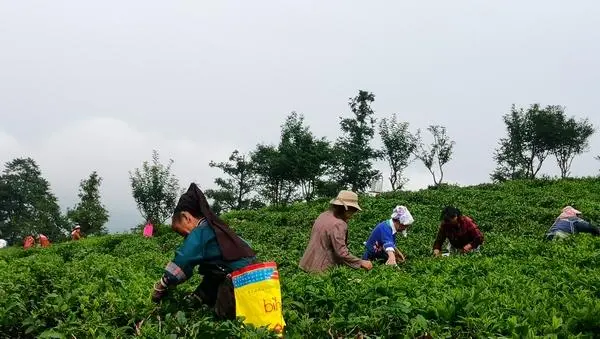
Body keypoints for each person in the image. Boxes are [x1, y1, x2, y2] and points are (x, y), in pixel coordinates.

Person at [151, 183, 256, 320]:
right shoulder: (219, 229)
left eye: (180, 232)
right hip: (256, 276)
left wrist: (162, 284)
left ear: (187, 217)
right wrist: (196, 298)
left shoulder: (200, 232)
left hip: (239, 279)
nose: (184, 237)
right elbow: (215, 274)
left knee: (222, 319)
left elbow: (183, 260)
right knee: (214, 276)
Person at [299, 190, 373, 273]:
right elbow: (341, 252)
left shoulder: (324, 215)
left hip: (308, 262)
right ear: (347, 209)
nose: (353, 214)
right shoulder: (339, 224)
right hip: (322, 269)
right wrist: (361, 262)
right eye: (354, 210)